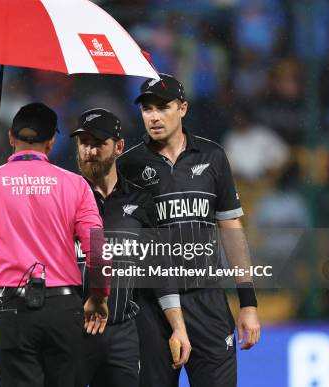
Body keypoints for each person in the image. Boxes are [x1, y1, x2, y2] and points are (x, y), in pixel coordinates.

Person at [0, 102, 110, 387]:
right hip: (62, 308)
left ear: (11, 137)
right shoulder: (76, 185)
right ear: (52, 142)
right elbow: (97, 251)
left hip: (9, 310)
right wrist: (99, 297)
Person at [118, 74, 261, 387]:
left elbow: (230, 228)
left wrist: (248, 303)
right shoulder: (128, 165)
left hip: (206, 299)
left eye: (162, 107)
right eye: (146, 109)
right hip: (151, 305)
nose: (153, 116)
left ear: (182, 108)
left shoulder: (212, 157)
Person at [71, 108, 191, 387]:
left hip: (122, 333)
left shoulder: (140, 201)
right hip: (72, 332)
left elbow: (159, 270)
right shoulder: (64, 198)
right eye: (83, 142)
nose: (89, 150)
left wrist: (178, 327)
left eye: (98, 142)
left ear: (119, 146)